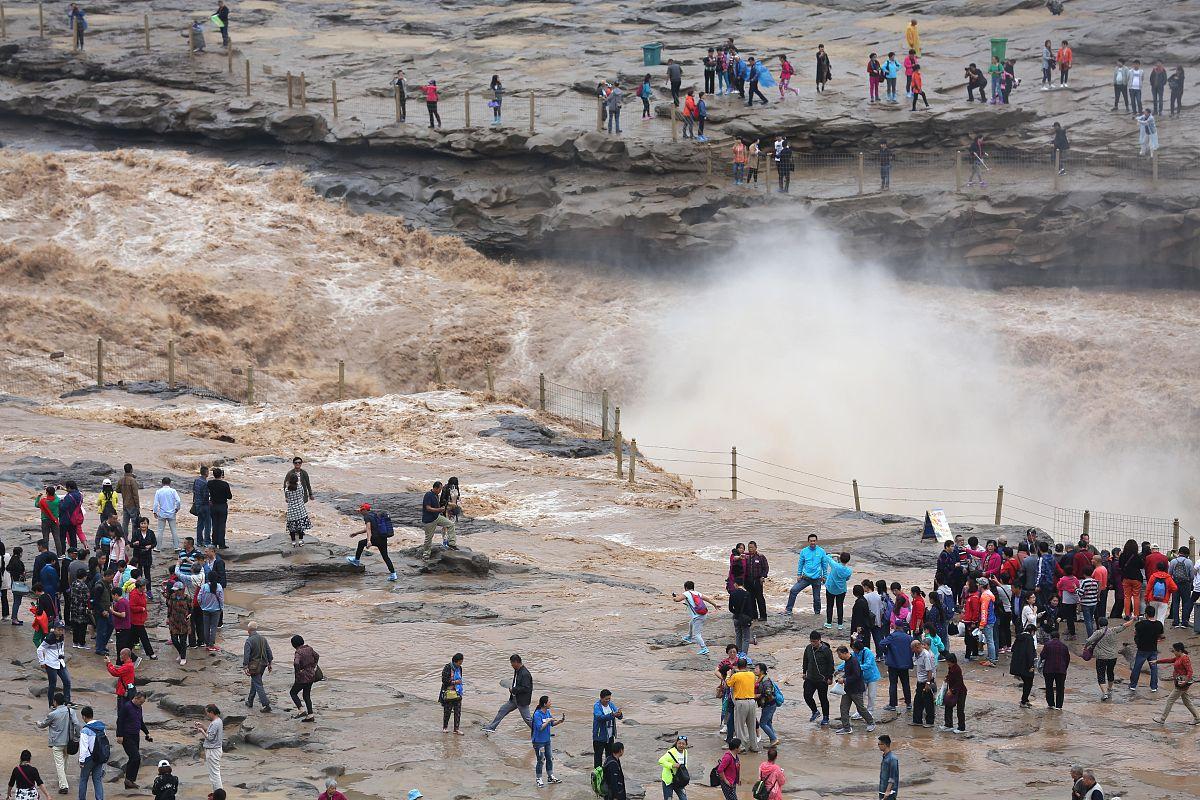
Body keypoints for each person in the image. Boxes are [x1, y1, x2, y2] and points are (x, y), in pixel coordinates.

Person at [37, 692, 78, 794]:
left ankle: (64, 786)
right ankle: (62, 780)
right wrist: (77, 736)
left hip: (57, 742)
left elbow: (43, 724)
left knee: (59, 764)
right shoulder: (71, 711)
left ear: (55, 702)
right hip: (68, 741)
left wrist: (37, 723)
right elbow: (77, 724)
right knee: (64, 761)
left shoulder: (53, 714)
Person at [483, 654, 533, 732]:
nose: (511, 665)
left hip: (521, 701)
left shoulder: (525, 674)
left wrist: (513, 690)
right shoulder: (517, 670)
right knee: (502, 710)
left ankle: (541, 730)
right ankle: (492, 727)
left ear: (516, 662)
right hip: (514, 699)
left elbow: (526, 688)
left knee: (527, 719)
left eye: (512, 663)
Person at [345, 504, 396, 580]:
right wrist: (356, 533)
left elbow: (368, 529)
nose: (360, 512)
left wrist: (369, 541)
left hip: (375, 539)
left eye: (361, 510)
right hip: (383, 538)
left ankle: (356, 561)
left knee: (361, 543)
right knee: (385, 557)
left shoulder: (367, 517)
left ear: (365, 510)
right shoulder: (374, 515)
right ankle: (393, 574)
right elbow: (370, 528)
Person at [1153, 641, 1198, 723]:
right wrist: (1157, 661)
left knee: (1170, 700)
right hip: (1180, 682)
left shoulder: (1184, 658)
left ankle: (1162, 719)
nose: (1173, 652)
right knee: (1187, 701)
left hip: (1181, 684)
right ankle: (1197, 718)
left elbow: (1190, 671)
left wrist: (1185, 682)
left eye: (1174, 651)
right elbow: (1170, 660)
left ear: (1179, 651)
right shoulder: (1178, 657)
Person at [834, 646, 875, 734]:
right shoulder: (847, 661)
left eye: (840, 654)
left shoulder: (854, 661)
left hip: (856, 690)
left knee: (860, 708)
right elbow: (849, 674)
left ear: (845, 653)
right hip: (847, 689)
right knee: (843, 708)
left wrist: (844, 680)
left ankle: (871, 722)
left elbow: (856, 676)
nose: (839, 657)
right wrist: (842, 678)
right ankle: (846, 728)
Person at [786, 534, 828, 617]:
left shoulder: (821, 551)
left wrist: (824, 576)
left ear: (816, 541)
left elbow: (824, 564)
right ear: (808, 541)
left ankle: (817, 614)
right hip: (805, 577)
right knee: (793, 590)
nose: (813, 542)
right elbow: (800, 563)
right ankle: (788, 610)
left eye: (814, 541)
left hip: (817, 578)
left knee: (817, 598)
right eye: (811, 541)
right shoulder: (804, 551)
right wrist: (799, 574)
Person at [116, 693, 151, 790]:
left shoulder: (139, 708)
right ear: (136, 698)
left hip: (136, 736)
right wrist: (119, 735)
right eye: (141, 702)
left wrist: (147, 733)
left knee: (135, 758)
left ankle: (130, 781)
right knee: (135, 757)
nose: (141, 704)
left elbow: (140, 721)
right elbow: (119, 721)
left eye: (143, 702)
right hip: (126, 736)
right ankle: (128, 780)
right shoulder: (126, 707)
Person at [530, 695, 564, 787]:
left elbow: (552, 723)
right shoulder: (537, 714)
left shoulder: (548, 712)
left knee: (549, 758)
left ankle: (550, 776)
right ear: (545, 704)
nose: (551, 703)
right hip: (539, 742)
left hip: (547, 741)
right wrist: (548, 721)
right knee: (541, 760)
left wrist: (559, 721)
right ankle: (539, 778)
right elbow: (540, 728)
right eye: (549, 702)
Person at [802, 630, 834, 726]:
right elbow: (805, 660)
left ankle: (826, 717)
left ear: (819, 640)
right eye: (811, 641)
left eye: (815, 642)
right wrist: (804, 672)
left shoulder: (826, 650)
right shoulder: (808, 648)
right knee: (807, 695)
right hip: (810, 677)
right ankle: (815, 711)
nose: (813, 643)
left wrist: (830, 677)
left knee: (823, 698)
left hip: (822, 679)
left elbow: (831, 664)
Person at [1130, 605, 1165, 692]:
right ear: (1154, 614)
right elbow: (1161, 636)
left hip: (1142, 649)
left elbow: (1135, 633)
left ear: (1146, 614)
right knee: (1154, 668)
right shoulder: (1159, 624)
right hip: (1153, 649)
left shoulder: (1140, 624)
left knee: (1137, 667)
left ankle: (1133, 685)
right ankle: (1154, 686)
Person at [726, 658, 758, 751]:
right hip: (752, 701)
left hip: (741, 702)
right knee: (752, 725)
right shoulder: (752, 675)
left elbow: (728, 684)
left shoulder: (735, 676)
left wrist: (728, 675)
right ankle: (754, 746)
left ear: (737, 666)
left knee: (739, 726)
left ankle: (742, 746)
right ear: (746, 666)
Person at [880, 622, 913, 712]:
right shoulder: (908, 637)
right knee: (906, 684)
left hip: (893, 664)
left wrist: (887, 652)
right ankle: (908, 703)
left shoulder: (892, 636)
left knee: (893, 684)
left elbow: (881, 644)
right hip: (905, 665)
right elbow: (913, 648)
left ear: (895, 626)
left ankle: (892, 705)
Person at [38, 621, 71, 708]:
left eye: (62, 630)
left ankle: (67, 701)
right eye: (59, 629)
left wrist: (62, 654)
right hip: (51, 664)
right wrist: (42, 662)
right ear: (54, 629)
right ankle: (51, 704)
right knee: (52, 684)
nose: (60, 632)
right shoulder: (49, 638)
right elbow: (40, 649)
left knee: (67, 681)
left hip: (60, 662)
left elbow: (62, 646)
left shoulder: (61, 637)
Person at [420, 481, 457, 558]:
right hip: (429, 520)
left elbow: (437, 506)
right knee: (428, 538)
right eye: (440, 489)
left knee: (450, 524)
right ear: (435, 488)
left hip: (437, 517)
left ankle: (451, 544)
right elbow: (428, 508)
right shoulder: (428, 495)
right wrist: (439, 510)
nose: (440, 491)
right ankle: (426, 554)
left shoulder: (436, 495)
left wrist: (443, 508)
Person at [242, 620, 273, 712]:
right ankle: (250, 701)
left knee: (258, 684)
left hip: (254, 666)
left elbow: (246, 655)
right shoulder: (263, 639)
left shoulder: (249, 640)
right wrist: (270, 663)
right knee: (255, 682)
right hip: (263, 664)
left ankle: (266, 705)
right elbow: (269, 652)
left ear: (248, 630)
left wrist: (245, 666)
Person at [77, 706, 106, 800]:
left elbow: (83, 748)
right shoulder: (101, 727)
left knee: (83, 779)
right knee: (97, 779)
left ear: (84, 716)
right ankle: (100, 798)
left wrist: (81, 761)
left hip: (89, 758)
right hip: (100, 756)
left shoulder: (85, 730)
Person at [673, 581, 710, 655]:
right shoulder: (697, 593)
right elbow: (708, 599)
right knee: (691, 623)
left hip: (698, 617)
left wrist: (674, 597)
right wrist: (715, 605)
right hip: (703, 614)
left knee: (697, 635)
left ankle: (704, 648)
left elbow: (677, 600)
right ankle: (689, 637)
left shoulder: (686, 593)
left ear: (686, 588)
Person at [193, 705, 223, 792]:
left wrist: (201, 731)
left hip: (213, 751)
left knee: (214, 775)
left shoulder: (215, 723)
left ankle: (218, 793)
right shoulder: (218, 721)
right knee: (214, 773)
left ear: (212, 712)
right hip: (216, 749)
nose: (206, 715)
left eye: (207, 713)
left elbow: (209, 737)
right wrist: (203, 726)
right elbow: (211, 733)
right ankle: (217, 792)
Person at [290, 635, 320, 722]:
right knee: (306, 695)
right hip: (311, 675)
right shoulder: (309, 649)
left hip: (302, 677)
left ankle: (301, 710)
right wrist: (313, 665)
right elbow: (317, 656)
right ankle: (310, 715)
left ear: (294, 644)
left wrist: (298, 671)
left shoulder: (298, 652)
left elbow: (296, 663)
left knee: (293, 693)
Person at [591, 689, 622, 768]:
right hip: (599, 737)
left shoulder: (611, 705)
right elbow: (600, 718)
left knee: (609, 756)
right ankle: (598, 773)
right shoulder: (597, 706)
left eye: (609, 699)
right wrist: (612, 715)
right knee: (598, 757)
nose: (608, 701)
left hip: (610, 736)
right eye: (606, 699)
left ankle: (608, 772)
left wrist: (619, 714)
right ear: (601, 698)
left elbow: (618, 715)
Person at [1040, 631, 1070, 709]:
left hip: (1049, 669)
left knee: (1049, 687)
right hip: (1061, 670)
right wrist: (1064, 668)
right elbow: (1067, 659)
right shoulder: (1064, 646)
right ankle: (1059, 705)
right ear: (1059, 637)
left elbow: (1042, 655)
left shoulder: (1047, 645)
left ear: (1051, 637)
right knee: (1060, 688)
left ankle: (1051, 704)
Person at [823, 552, 853, 628]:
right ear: (848, 560)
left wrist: (836, 555)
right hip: (841, 589)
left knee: (830, 605)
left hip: (830, 588)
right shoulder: (849, 571)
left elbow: (827, 557)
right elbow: (847, 579)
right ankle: (840, 624)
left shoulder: (835, 565)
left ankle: (829, 623)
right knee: (840, 606)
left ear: (840, 558)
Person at [1010, 623, 1037, 707]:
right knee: (1029, 682)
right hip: (1026, 665)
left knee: (1026, 682)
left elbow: (1013, 649)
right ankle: (1024, 701)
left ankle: (1025, 699)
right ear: (1032, 631)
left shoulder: (1019, 637)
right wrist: (1031, 666)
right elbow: (1030, 653)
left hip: (1017, 665)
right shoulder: (1029, 639)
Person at [283, 472, 312, 547]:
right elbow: (302, 495)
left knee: (292, 527)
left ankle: (293, 542)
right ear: (297, 480)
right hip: (300, 510)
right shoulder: (300, 487)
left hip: (291, 511)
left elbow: (287, 499)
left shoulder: (287, 489)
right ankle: (300, 541)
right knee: (300, 526)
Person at [152, 478, 181, 552]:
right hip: (172, 513)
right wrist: (177, 508)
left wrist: (155, 512)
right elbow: (178, 501)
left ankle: (158, 548)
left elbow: (155, 503)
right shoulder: (173, 491)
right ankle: (176, 547)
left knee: (160, 531)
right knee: (173, 530)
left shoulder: (158, 491)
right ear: (170, 483)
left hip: (162, 513)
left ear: (162, 483)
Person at [754, 665, 780, 747]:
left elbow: (768, 692)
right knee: (768, 723)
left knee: (762, 723)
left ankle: (774, 739)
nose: (755, 670)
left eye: (756, 669)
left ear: (762, 671)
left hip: (769, 704)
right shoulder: (761, 679)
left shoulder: (766, 680)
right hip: (770, 704)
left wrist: (758, 695)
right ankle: (773, 741)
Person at [166, 582, 191, 665]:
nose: (176, 592)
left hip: (183, 622)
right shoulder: (172, 597)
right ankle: (181, 652)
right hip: (173, 621)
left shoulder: (187, 598)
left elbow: (191, 608)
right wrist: (168, 618)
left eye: (177, 590)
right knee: (174, 639)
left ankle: (183, 657)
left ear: (182, 590)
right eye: (175, 590)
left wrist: (189, 615)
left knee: (183, 641)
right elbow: (169, 608)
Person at [658, 735, 689, 800]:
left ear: (686, 745)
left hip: (679, 780)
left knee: (684, 798)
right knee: (668, 798)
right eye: (679, 743)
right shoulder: (671, 752)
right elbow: (660, 761)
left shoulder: (685, 752)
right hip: (668, 781)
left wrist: (685, 777)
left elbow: (685, 765)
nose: (681, 745)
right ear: (676, 743)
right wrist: (672, 765)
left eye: (683, 744)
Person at [197, 576, 223, 652]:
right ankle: (211, 645)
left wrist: (202, 606)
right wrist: (221, 608)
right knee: (214, 628)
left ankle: (207, 644)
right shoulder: (219, 587)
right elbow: (221, 599)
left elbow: (199, 598)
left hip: (205, 610)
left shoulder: (204, 586)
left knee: (206, 627)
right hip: (216, 610)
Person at [440, 653, 464, 734]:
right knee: (447, 711)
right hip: (448, 692)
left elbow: (460, 679)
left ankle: (456, 729)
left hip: (458, 692)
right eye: (459, 662)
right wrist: (455, 682)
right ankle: (445, 727)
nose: (460, 664)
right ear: (455, 661)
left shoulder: (460, 668)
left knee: (458, 711)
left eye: (461, 662)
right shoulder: (447, 667)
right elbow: (444, 680)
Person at [116, 465, 140, 537]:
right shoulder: (132, 480)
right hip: (132, 504)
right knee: (134, 523)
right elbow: (135, 495)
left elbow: (117, 490)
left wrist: (124, 491)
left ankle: (124, 538)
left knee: (125, 523)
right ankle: (134, 538)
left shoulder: (121, 480)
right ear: (131, 469)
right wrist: (138, 506)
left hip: (125, 504)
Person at [36, 488, 61, 555]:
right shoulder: (57, 500)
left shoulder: (43, 501)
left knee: (46, 538)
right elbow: (56, 497)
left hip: (45, 520)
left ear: (47, 493)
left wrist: (38, 497)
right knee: (57, 538)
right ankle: (59, 554)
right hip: (55, 520)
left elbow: (36, 504)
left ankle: (46, 554)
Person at [191, 466, 212, 548]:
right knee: (208, 524)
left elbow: (194, 491)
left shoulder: (196, 480)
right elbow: (205, 495)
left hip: (197, 504)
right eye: (208, 472)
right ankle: (207, 541)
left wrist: (194, 501)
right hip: (205, 505)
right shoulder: (205, 483)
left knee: (200, 523)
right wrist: (209, 502)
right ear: (206, 473)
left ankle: (199, 541)